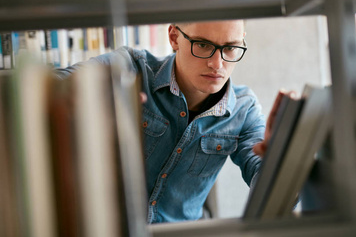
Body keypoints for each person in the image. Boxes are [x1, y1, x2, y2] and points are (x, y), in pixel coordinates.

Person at [56, 20, 274, 223]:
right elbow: (50, 86)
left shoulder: (244, 109)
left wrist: (280, 159)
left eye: (230, 48)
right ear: (174, 37)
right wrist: (84, 94)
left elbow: (268, 183)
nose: (217, 64)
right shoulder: (132, 69)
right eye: (203, 45)